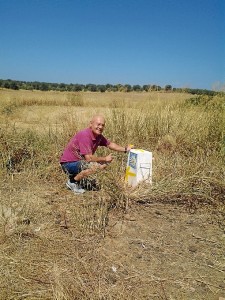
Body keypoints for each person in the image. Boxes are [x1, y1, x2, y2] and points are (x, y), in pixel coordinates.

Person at [60, 115, 133, 194]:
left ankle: (76, 179)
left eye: (102, 125)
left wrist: (125, 149)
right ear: (91, 124)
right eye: (98, 124)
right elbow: (89, 158)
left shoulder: (98, 136)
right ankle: (72, 182)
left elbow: (110, 144)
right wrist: (105, 158)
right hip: (68, 164)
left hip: (78, 162)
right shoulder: (85, 135)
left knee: (103, 164)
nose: (100, 127)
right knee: (96, 166)